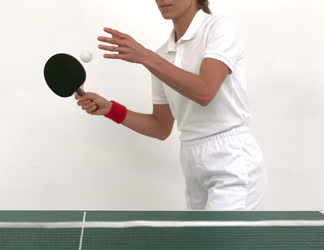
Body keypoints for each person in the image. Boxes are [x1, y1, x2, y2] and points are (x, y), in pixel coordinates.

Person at [75, 0, 266, 210]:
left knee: (223, 242)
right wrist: (111, 109)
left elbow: (205, 92)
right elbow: (160, 127)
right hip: (191, 160)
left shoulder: (218, 29)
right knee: (202, 243)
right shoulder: (162, 54)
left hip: (231, 158)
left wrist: (145, 56)